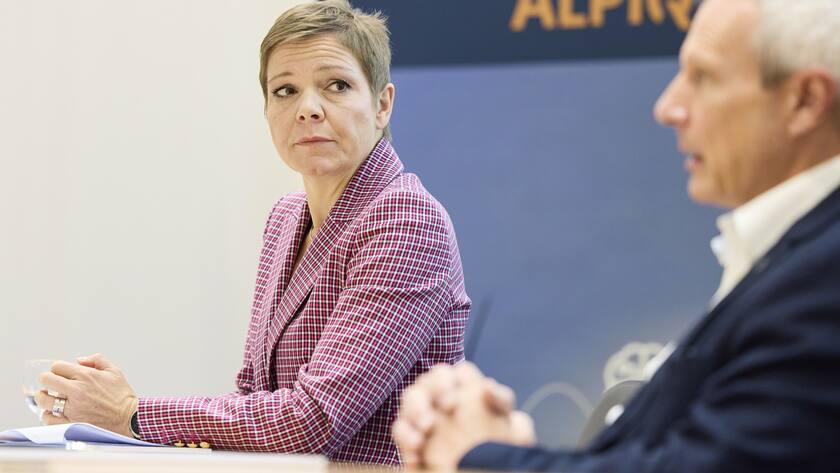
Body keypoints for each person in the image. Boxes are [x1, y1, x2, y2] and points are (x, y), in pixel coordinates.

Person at [393, 0, 840, 471]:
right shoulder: (795, 261)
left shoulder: (824, 277)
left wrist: (478, 455)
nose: (668, 107)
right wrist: (509, 448)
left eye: (703, 77)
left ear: (805, 100)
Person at [34, 0, 470, 465]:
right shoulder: (285, 219)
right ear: (266, 110)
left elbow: (314, 419)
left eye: (336, 86)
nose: (308, 109)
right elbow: (252, 393)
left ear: (382, 104)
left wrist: (132, 415)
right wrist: (119, 418)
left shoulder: (405, 217)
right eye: (285, 90)